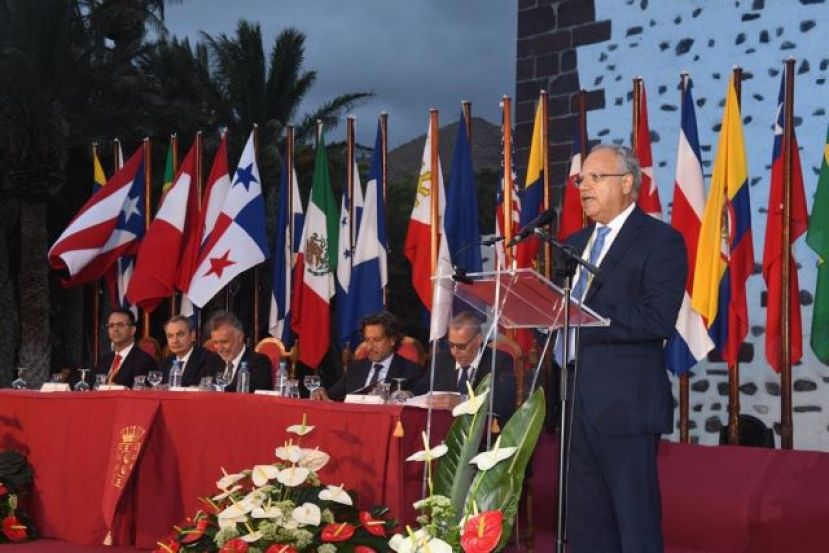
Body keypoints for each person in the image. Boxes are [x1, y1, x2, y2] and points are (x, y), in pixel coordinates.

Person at [560, 144, 686, 552]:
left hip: (625, 405)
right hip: (573, 400)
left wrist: (585, 316)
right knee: (586, 524)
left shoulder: (660, 240)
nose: (584, 187)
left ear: (627, 183)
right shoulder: (573, 244)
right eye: (582, 179)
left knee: (635, 525)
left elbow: (657, 318)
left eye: (596, 178)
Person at [411, 311, 516, 423]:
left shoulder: (499, 361)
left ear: (478, 340)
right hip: (442, 428)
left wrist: (464, 401)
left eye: (461, 346)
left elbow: (504, 403)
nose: (454, 352)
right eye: (451, 345)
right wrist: (407, 394)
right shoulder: (441, 360)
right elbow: (423, 387)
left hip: (482, 432)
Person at [312, 311, 422, 401]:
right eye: (367, 340)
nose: (370, 346)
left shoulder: (410, 371)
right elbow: (332, 394)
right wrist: (321, 392)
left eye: (376, 340)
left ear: (392, 340)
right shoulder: (356, 368)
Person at [208, 310, 272, 393]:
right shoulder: (213, 361)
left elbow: (250, 392)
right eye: (215, 342)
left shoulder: (259, 362)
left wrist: (215, 389)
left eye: (224, 342)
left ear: (240, 337)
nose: (219, 348)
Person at [95, 308, 158, 388]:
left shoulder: (145, 361)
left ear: (133, 330)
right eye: (111, 325)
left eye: (120, 325)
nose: (115, 329)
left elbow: (144, 394)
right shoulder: (103, 361)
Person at [159, 315, 224, 387]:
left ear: (193, 335)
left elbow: (216, 388)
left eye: (180, 334)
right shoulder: (165, 363)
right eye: (170, 336)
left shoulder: (209, 360)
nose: (175, 341)